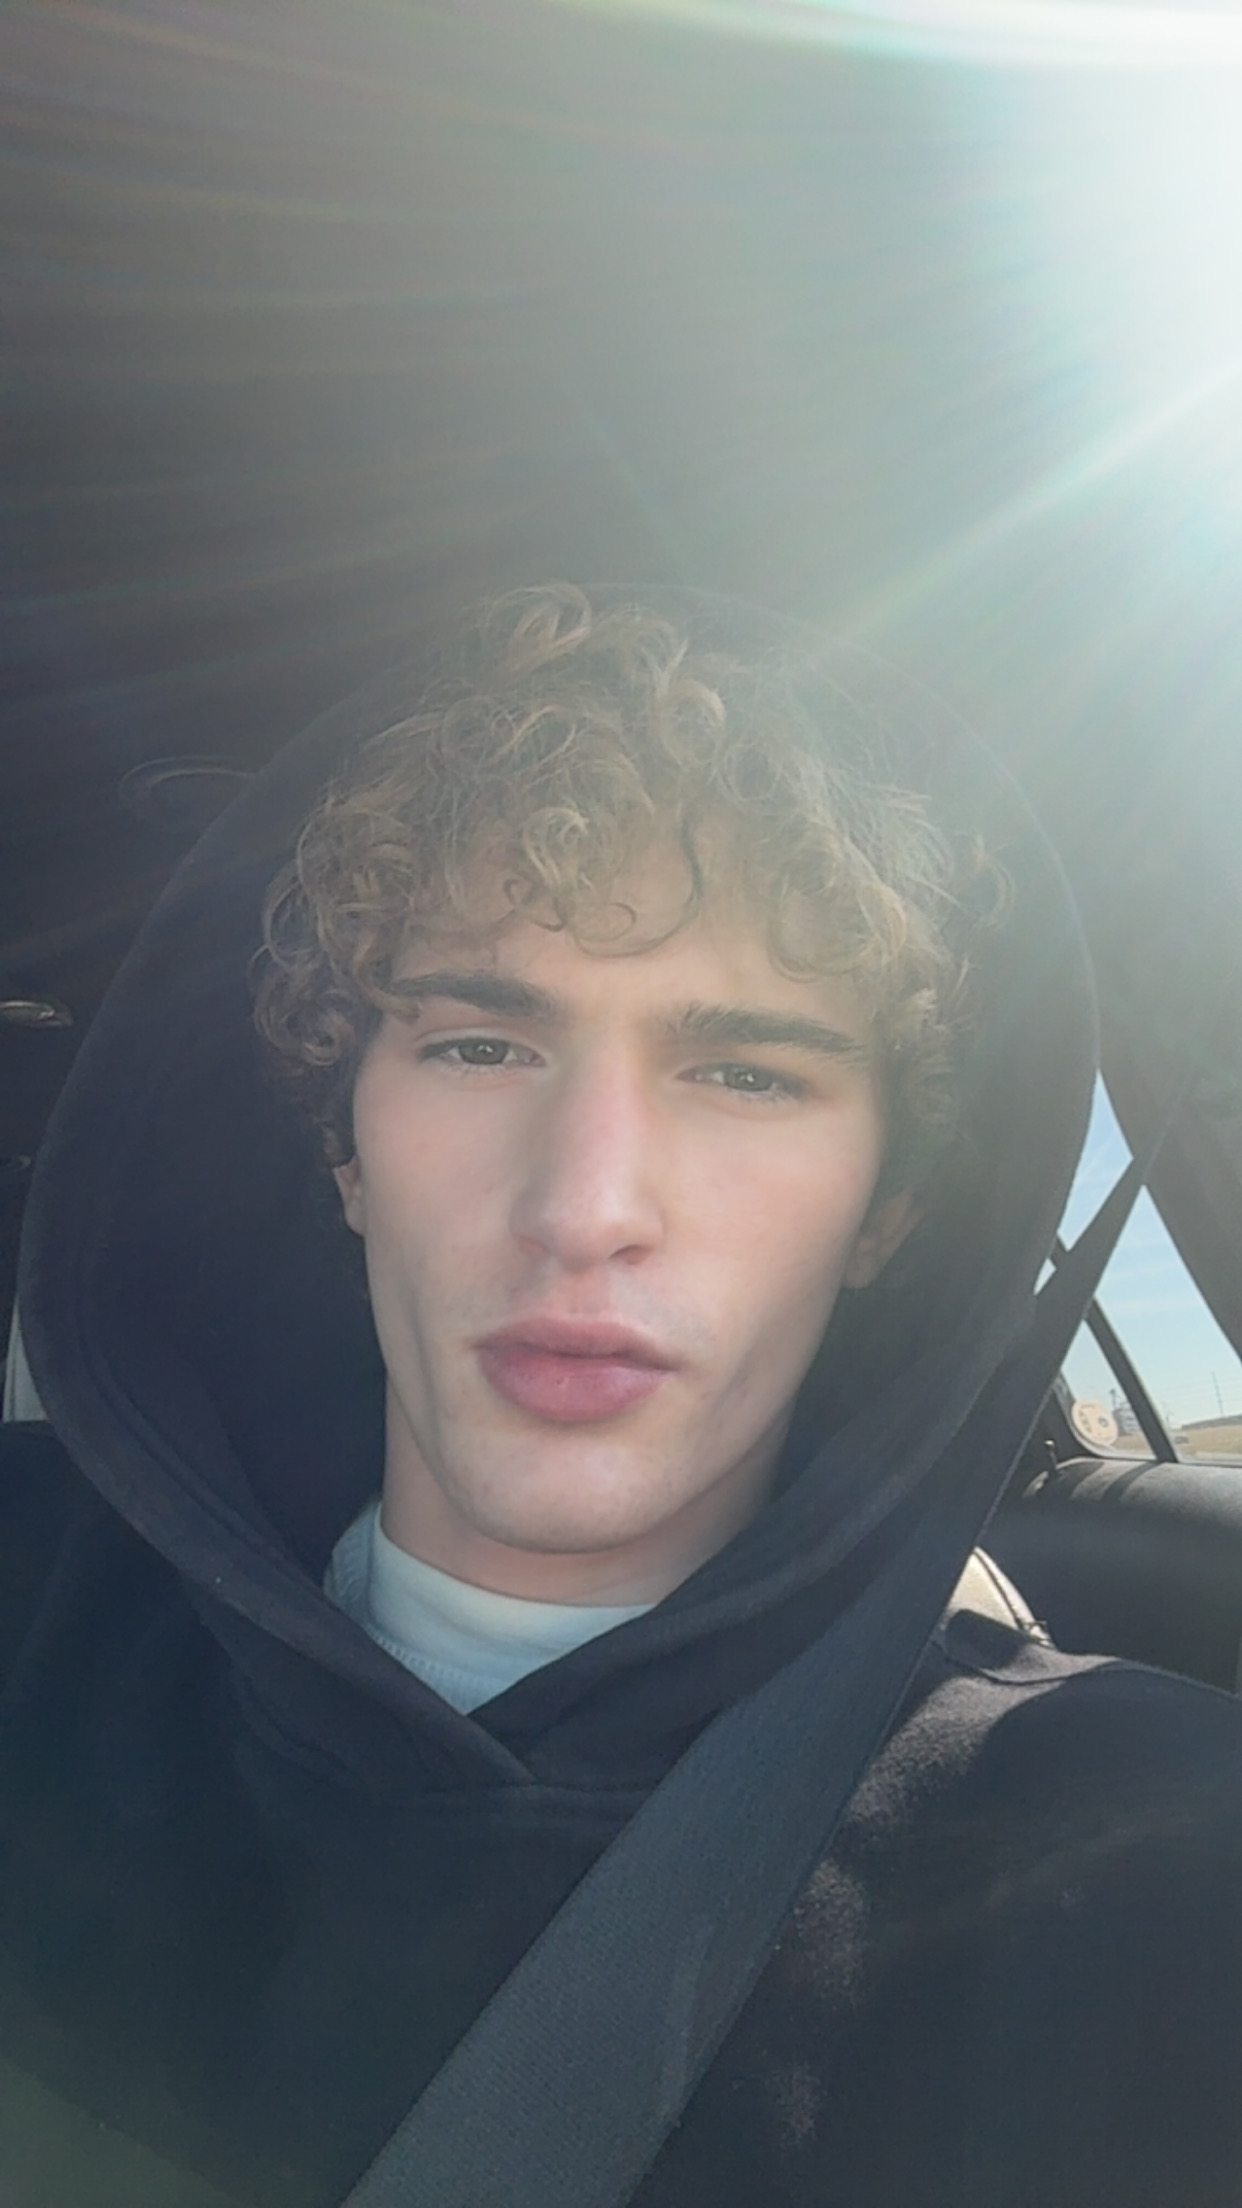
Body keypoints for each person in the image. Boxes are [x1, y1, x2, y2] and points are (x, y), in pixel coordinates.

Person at [3, 583, 1242, 2208]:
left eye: (745, 1074)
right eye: (477, 1046)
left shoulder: (1159, 1863)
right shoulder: (30, 1609)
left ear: (887, 1212)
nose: (584, 1208)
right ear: (345, 1148)